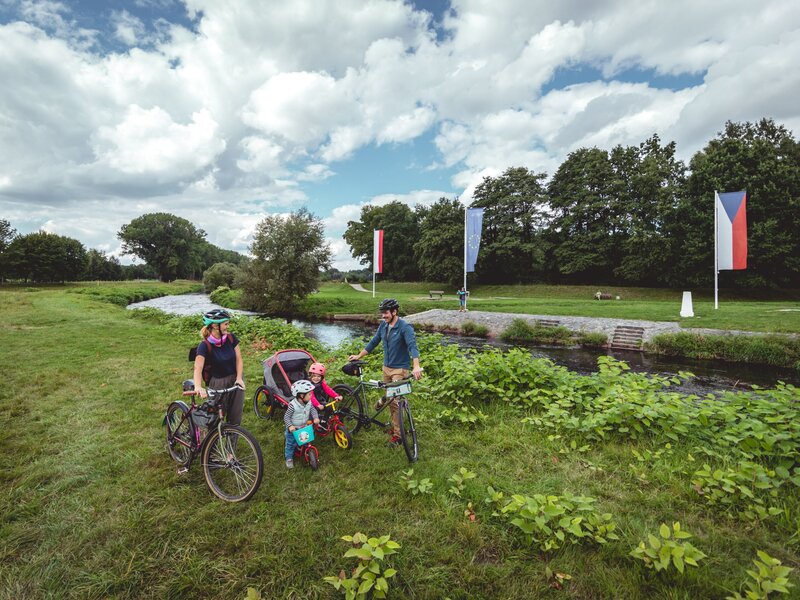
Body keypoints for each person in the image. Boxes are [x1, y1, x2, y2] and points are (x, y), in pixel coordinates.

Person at [348, 298, 422, 447]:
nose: (383, 316)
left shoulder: (404, 327)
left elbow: (412, 346)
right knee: (391, 400)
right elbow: (374, 342)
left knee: (394, 402)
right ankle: (390, 413)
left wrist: (416, 366)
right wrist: (359, 355)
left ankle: (398, 436)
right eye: (382, 313)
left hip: (399, 369)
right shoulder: (383, 326)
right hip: (386, 368)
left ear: (394, 312)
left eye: (386, 313)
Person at [193, 309, 245, 426]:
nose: (228, 326)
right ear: (215, 326)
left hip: (236, 379)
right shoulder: (204, 346)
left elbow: (239, 359)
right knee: (215, 418)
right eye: (226, 324)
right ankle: (213, 442)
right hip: (218, 382)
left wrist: (239, 378)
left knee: (235, 418)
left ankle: (231, 443)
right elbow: (198, 368)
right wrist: (198, 386)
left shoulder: (231, 338)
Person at [284, 379, 320, 469]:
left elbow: (313, 410)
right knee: (290, 444)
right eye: (309, 394)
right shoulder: (293, 405)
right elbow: (286, 417)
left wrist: (315, 417)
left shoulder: (309, 402)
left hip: (304, 426)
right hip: (294, 429)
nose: (311, 396)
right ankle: (289, 458)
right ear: (301, 395)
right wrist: (290, 426)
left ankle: (305, 450)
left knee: (306, 440)